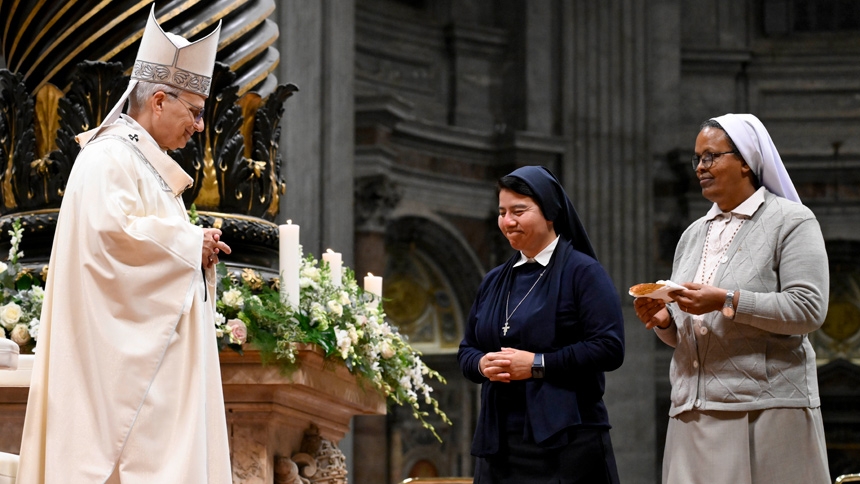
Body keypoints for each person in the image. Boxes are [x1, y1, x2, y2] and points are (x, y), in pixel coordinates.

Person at [17, 6, 233, 483]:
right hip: (131, 405)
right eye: (195, 113)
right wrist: (185, 244)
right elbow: (110, 246)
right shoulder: (110, 157)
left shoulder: (147, 167)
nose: (199, 127)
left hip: (165, 386)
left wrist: (192, 248)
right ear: (159, 100)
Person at [634, 113, 830, 484]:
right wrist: (665, 321)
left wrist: (727, 299)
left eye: (711, 156)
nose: (701, 167)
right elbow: (694, 326)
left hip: (766, 410)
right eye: (697, 159)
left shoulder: (792, 221)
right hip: (692, 411)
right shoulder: (693, 235)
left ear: (745, 160)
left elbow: (808, 308)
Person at [458, 165, 625, 484]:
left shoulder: (583, 273)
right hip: (500, 444)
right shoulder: (494, 280)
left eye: (519, 211)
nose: (508, 221)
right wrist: (482, 364)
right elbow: (467, 349)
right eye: (502, 212)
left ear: (550, 211)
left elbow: (609, 348)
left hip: (566, 442)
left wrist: (537, 364)